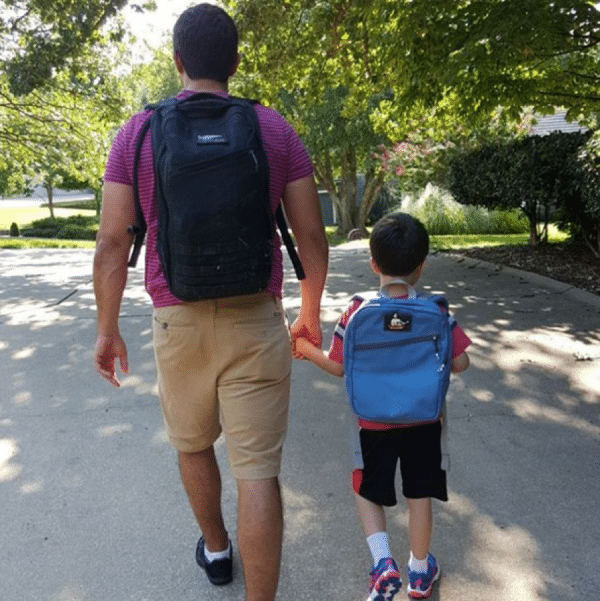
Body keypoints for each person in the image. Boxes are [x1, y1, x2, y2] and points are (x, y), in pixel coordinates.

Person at [93, 5, 328, 601]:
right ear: (236, 61)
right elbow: (310, 236)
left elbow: (113, 241)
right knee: (259, 473)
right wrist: (309, 310)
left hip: (178, 320)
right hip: (256, 318)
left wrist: (107, 328)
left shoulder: (137, 133)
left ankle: (218, 551)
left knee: (193, 444)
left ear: (176, 62)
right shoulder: (273, 130)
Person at [295, 213, 470, 600]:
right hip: (425, 421)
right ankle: (420, 573)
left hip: (372, 423)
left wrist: (306, 350)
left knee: (368, 488)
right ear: (421, 265)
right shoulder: (439, 313)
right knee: (418, 495)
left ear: (373, 263)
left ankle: (382, 563)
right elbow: (460, 363)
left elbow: (339, 367)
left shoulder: (356, 312)